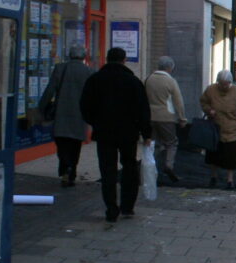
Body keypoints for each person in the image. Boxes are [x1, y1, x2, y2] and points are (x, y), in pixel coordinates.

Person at [80, 47, 152, 223]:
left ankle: (111, 208)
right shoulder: (133, 82)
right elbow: (143, 110)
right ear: (124, 60)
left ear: (107, 59)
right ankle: (128, 206)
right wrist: (146, 133)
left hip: (104, 132)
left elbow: (85, 106)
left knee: (108, 170)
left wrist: (95, 122)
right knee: (129, 167)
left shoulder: (95, 80)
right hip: (128, 133)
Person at [38, 45, 93, 187]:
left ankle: (65, 168)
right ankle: (71, 170)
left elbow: (50, 90)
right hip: (79, 114)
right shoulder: (89, 72)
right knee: (75, 145)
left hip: (61, 112)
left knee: (61, 143)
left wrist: (41, 107)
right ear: (84, 56)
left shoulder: (60, 68)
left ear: (70, 55)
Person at [200, 69, 236, 189]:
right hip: (214, 128)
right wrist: (208, 110)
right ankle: (213, 176)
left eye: (226, 84)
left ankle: (230, 179)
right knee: (213, 155)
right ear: (218, 82)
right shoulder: (211, 90)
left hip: (231, 129)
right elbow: (203, 102)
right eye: (221, 84)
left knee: (231, 156)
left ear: (230, 82)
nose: (223, 86)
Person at [144, 56, 188, 185]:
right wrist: (182, 118)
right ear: (170, 68)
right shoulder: (170, 81)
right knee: (171, 143)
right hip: (166, 117)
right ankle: (168, 165)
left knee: (153, 144)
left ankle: (150, 169)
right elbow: (178, 101)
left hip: (150, 116)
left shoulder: (148, 79)